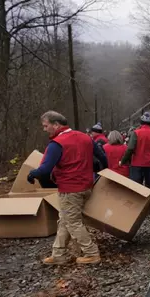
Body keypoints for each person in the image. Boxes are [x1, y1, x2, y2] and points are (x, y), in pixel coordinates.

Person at [28, 111, 105, 265]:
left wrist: (31, 174)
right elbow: (103, 157)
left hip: (70, 189)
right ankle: (58, 254)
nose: (44, 129)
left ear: (56, 125)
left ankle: (92, 253)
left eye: (46, 126)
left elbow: (44, 170)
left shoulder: (57, 144)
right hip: (86, 186)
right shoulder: (86, 138)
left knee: (73, 222)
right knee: (64, 220)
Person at [120, 111, 150, 189]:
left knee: (136, 188)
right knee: (148, 187)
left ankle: (137, 200)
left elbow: (130, 149)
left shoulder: (136, 133)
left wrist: (123, 161)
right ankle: (148, 200)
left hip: (137, 165)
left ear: (140, 123)